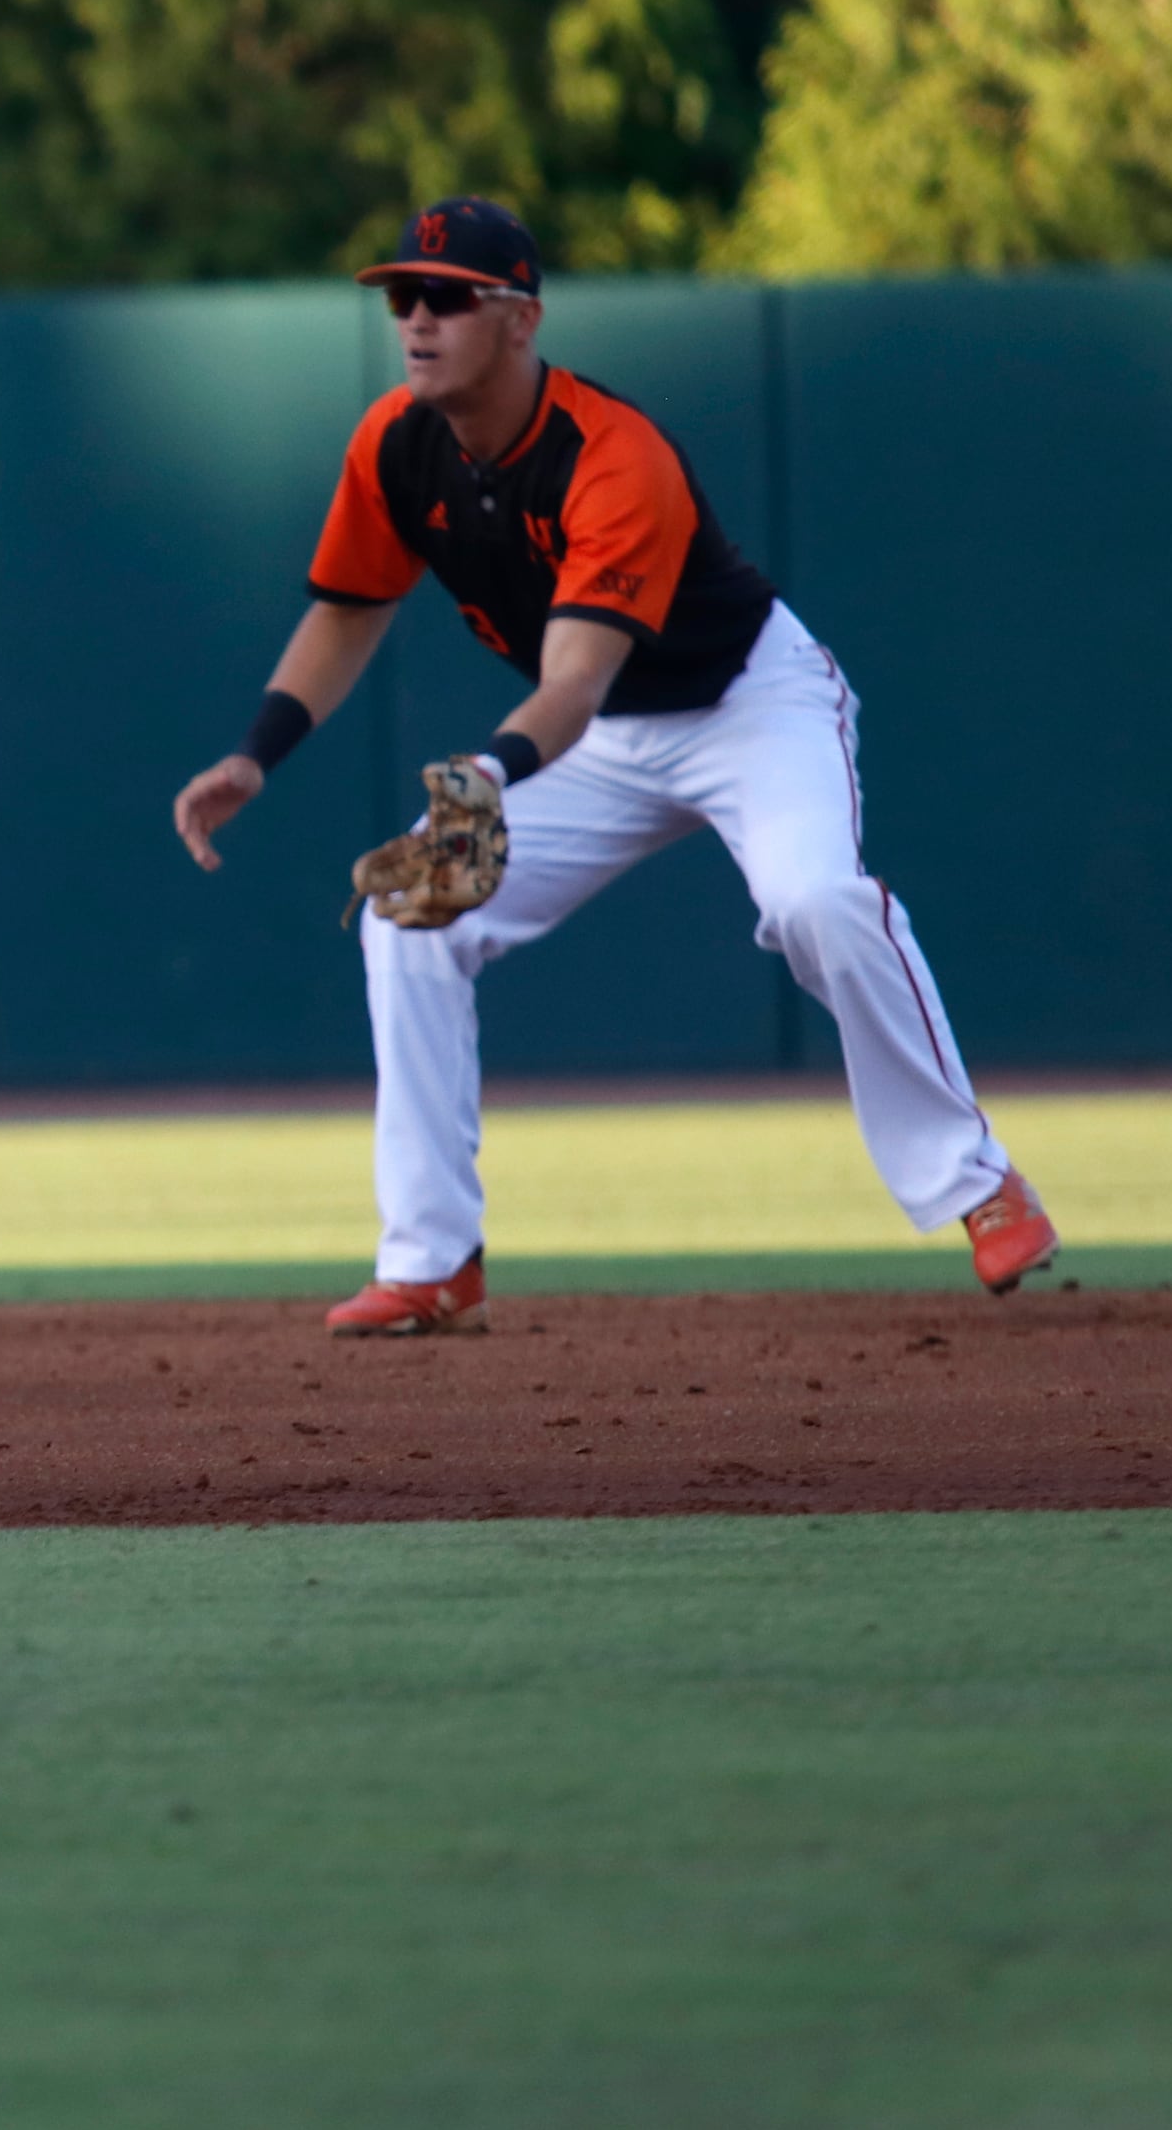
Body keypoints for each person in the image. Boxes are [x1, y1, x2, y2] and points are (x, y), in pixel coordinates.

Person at [167, 196, 1060, 1335]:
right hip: (605, 742)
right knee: (410, 921)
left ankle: (979, 1184)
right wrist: (258, 754)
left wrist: (490, 771)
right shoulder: (394, 442)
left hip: (748, 705)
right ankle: (433, 1261)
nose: (417, 319)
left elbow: (574, 683)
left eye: (448, 297)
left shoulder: (611, 456)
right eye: (404, 297)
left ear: (521, 318)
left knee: (815, 903)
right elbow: (347, 613)